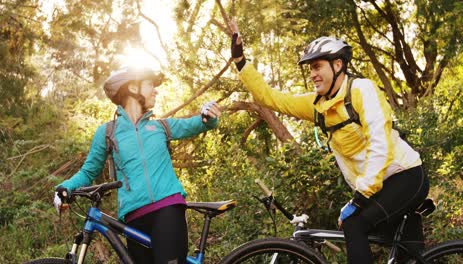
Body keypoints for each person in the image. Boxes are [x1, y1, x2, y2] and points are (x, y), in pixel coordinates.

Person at [229, 20, 429, 263]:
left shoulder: (361, 90)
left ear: (338, 65)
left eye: (317, 66)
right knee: (407, 257)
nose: (312, 74)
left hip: (404, 176)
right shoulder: (316, 106)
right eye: (310, 69)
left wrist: (359, 198)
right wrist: (240, 61)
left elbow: (380, 144)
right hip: (377, 187)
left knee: (353, 224)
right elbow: (271, 98)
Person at [53, 66, 221, 264]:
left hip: (167, 208)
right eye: (150, 84)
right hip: (134, 218)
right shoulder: (107, 132)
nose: (155, 90)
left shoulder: (161, 127)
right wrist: (65, 187)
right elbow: (89, 171)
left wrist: (208, 115)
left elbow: (199, 123)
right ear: (133, 87)